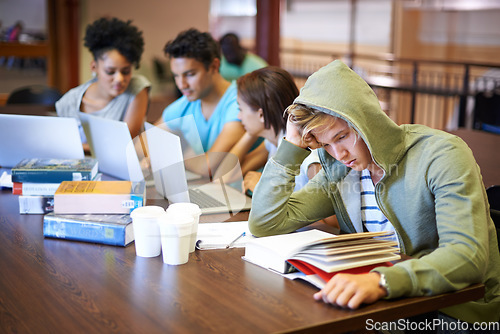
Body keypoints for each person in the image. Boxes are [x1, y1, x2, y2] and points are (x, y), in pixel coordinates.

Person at [248, 60, 500, 325]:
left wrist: (380, 281)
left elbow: (467, 256)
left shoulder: (441, 154)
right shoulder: (341, 171)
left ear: (367, 119)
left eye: (342, 136)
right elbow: (266, 222)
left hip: (455, 311)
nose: (339, 154)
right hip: (386, 307)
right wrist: (290, 145)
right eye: (326, 144)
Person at [157, 28, 246, 177]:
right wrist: (151, 158)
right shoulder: (188, 101)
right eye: (176, 76)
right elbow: (147, 143)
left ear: (214, 66)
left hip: (241, 192)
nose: (182, 84)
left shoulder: (241, 101)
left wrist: (167, 160)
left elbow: (208, 166)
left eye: (190, 74)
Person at [56, 17, 150, 143]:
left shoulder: (136, 89)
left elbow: (124, 143)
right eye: (110, 72)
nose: (119, 79)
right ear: (94, 67)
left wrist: (81, 148)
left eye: (126, 71)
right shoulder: (69, 102)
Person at [228, 66, 320, 194]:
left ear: (260, 114)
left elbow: (324, 205)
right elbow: (227, 177)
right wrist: (251, 132)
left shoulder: (306, 150)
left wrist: (265, 189)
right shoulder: (274, 139)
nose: (239, 116)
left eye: (241, 109)